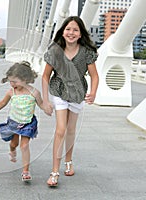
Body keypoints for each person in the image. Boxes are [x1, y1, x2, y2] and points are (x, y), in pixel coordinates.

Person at [42, 16, 99, 187]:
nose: (71, 33)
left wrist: (93, 93)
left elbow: (95, 76)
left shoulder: (86, 52)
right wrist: (46, 100)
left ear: (81, 34)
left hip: (77, 92)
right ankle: (54, 172)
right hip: (59, 90)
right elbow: (45, 76)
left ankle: (68, 161)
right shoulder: (55, 51)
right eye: (68, 29)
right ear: (63, 31)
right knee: (60, 130)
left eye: (75, 30)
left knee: (71, 129)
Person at [0, 61, 46, 181]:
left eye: (14, 82)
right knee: (14, 143)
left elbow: (41, 104)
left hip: (28, 123)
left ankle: (25, 171)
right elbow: (3, 102)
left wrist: (48, 109)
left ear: (25, 79)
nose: (12, 84)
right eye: (10, 81)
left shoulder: (34, 92)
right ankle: (12, 150)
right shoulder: (12, 92)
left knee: (24, 146)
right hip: (14, 121)